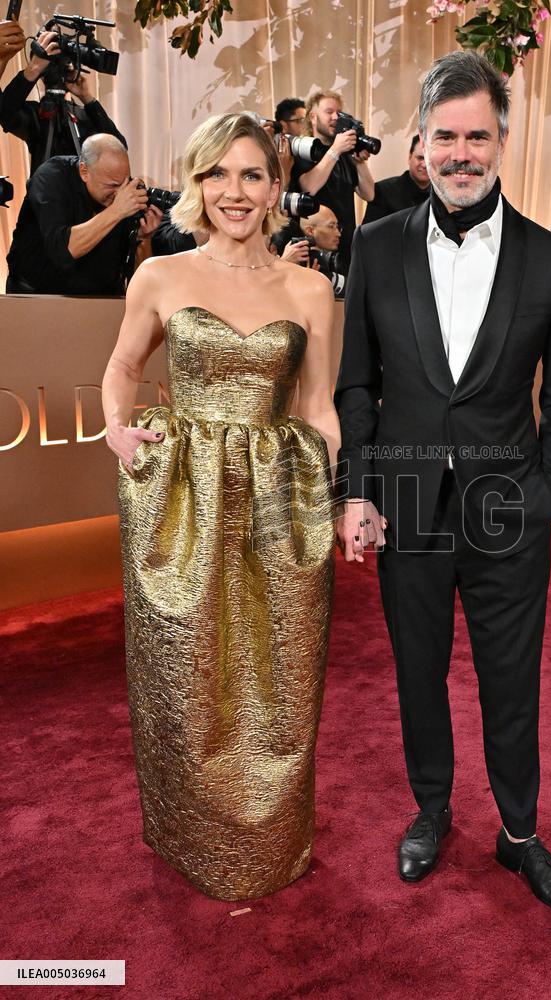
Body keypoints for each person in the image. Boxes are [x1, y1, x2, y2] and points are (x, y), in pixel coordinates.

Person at [336, 51, 551, 916]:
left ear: (503, 143)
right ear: (421, 142)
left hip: (509, 506)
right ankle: (432, 810)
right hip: (404, 498)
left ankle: (518, 836)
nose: (462, 151)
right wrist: (357, 490)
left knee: (511, 680)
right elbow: (356, 383)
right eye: (446, 135)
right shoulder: (376, 246)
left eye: (479, 135)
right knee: (417, 673)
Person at [101, 112, 338, 900]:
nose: (234, 192)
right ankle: (189, 837)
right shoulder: (161, 275)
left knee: (282, 671)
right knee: (186, 671)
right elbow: (123, 366)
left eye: (252, 175)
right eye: (218, 174)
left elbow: (319, 405)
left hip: (279, 495)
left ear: (277, 188)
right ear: (199, 181)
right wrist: (117, 432)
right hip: (182, 501)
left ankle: (271, 846)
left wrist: (330, 503)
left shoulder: (310, 288)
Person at [5, 134, 161, 295]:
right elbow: (63, 250)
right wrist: (117, 210)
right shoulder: (52, 177)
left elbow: (140, 281)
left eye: (124, 183)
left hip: (99, 300)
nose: (119, 192)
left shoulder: (124, 197)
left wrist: (144, 238)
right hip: (38, 296)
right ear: (84, 171)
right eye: (112, 185)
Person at [0, 30, 126, 175]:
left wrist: (88, 98)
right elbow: (5, 112)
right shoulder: (37, 115)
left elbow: (119, 148)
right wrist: (32, 70)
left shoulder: (84, 116)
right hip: (44, 196)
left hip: (79, 197)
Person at [289, 90, 375, 271]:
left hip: (345, 246)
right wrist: (335, 150)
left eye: (339, 112)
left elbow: (369, 194)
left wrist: (359, 161)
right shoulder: (302, 152)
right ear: (313, 117)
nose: (336, 117)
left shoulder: (344, 154)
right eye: (329, 112)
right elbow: (308, 188)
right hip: (315, 250)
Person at [362, 134, 430, 224]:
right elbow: (368, 234)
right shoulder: (383, 191)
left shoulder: (442, 195)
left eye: (429, 160)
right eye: (420, 158)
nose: (424, 165)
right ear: (409, 157)